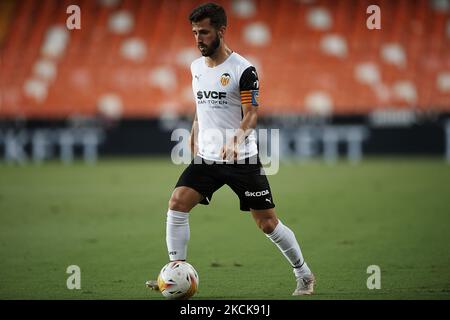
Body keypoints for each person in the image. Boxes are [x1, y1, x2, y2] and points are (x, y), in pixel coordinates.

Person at [146, 2, 315, 296]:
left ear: (221, 31)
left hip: (242, 159)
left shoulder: (244, 69)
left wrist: (236, 139)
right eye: (195, 32)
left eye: (205, 32)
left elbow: (251, 114)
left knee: (267, 224)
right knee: (177, 203)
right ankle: (175, 273)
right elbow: (201, 104)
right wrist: (194, 129)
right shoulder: (195, 67)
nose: (199, 39)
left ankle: (304, 274)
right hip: (208, 158)